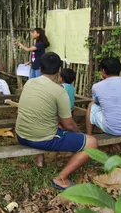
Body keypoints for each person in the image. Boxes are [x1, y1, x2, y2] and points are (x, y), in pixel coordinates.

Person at [16, 52, 98, 190]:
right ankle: (61, 178)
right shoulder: (59, 91)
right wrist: (79, 133)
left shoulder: (29, 83)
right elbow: (68, 124)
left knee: (39, 120)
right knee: (92, 142)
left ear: (40, 69)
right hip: (43, 139)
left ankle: (40, 160)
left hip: (21, 135)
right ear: (59, 70)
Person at [86, 58, 121, 142]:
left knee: (91, 105)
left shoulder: (97, 86)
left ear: (103, 71)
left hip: (112, 129)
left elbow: (97, 102)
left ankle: (89, 136)